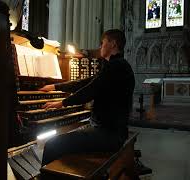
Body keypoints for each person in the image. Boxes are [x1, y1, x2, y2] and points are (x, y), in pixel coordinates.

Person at [39, 29, 135, 166]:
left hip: (109, 135)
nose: (100, 46)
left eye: (103, 43)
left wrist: (62, 103)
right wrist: (56, 87)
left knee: (52, 145)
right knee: (64, 140)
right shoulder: (116, 66)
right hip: (110, 131)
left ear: (113, 44)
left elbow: (90, 90)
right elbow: (85, 83)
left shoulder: (117, 67)